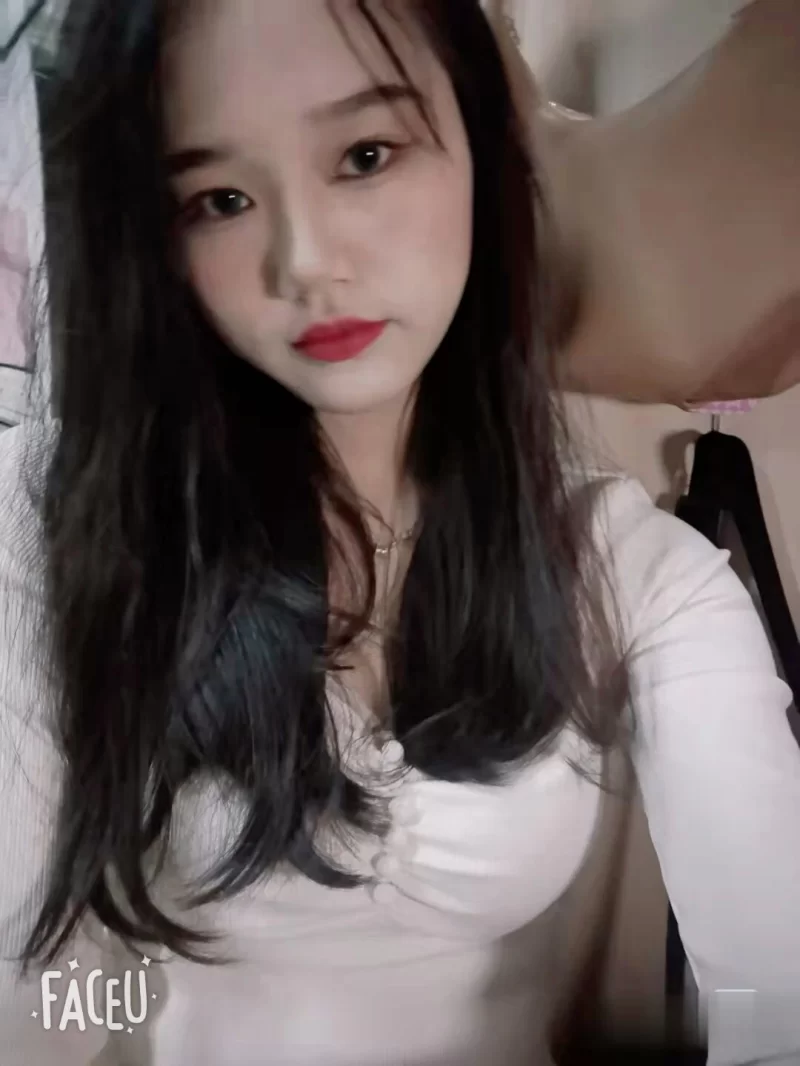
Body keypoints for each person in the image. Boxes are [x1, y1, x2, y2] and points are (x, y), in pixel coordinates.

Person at [0, 1, 798, 1064]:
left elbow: (775, 992)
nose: (304, 260)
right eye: (220, 199)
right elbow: (34, 1000)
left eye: (365, 155)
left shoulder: (631, 574)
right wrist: (90, 1007)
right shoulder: (59, 533)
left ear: (479, 143)